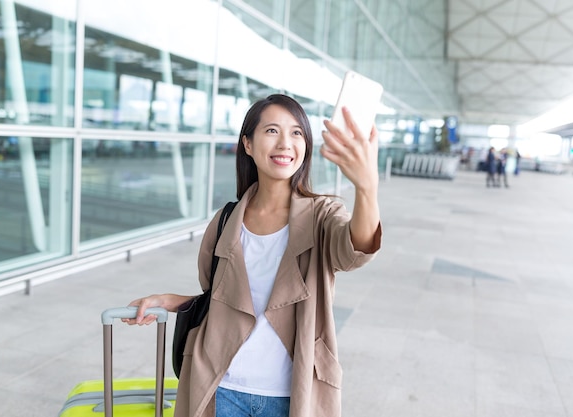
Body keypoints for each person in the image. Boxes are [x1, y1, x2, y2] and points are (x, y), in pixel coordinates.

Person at [123, 94, 382, 417]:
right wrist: (172, 300)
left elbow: (356, 250)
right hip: (221, 388)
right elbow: (223, 300)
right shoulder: (226, 220)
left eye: (297, 132)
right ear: (247, 144)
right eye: (272, 131)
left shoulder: (322, 215)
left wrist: (366, 189)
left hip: (292, 394)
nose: (285, 143)